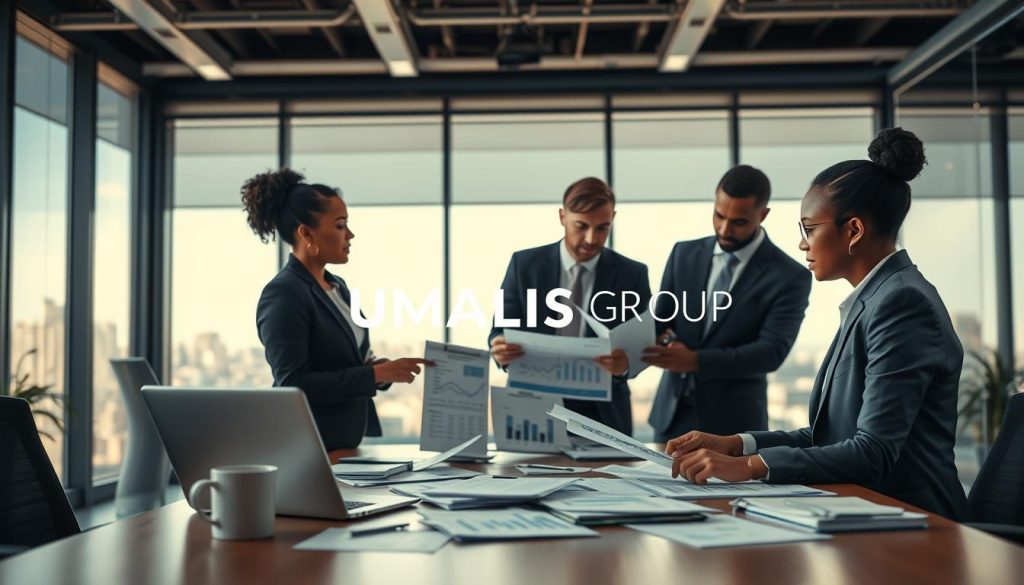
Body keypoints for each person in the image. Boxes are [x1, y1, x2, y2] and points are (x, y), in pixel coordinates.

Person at [665, 128, 971, 521]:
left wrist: (748, 468)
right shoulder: (877, 297)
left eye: (809, 229)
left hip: (917, 523)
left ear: (853, 230)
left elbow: (872, 452)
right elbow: (829, 436)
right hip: (869, 511)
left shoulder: (901, 303)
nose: (802, 244)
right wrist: (737, 445)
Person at [244, 168, 430, 450]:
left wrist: (378, 371)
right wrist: (374, 375)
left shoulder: (337, 286)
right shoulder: (283, 294)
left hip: (345, 444)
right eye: (340, 225)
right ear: (306, 233)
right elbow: (294, 384)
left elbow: (341, 364)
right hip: (307, 445)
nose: (350, 235)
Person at [643, 165, 811, 441]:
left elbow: (771, 352)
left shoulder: (789, 276)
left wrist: (696, 361)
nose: (724, 229)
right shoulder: (683, 254)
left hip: (734, 424)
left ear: (763, 215)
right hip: (671, 414)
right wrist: (630, 348)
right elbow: (661, 320)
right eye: (719, 216)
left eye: (738, 222)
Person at [489, 177, 651, 435]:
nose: (591, 238)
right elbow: (500, 329)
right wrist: (498, 347)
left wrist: (626, 365)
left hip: (604, 415)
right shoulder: (524, 265)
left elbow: (642, 348)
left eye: (602, 228)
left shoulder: (632, 274)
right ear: (562, 217)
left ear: (613, 218)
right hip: (533, 408)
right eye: (581, 226)